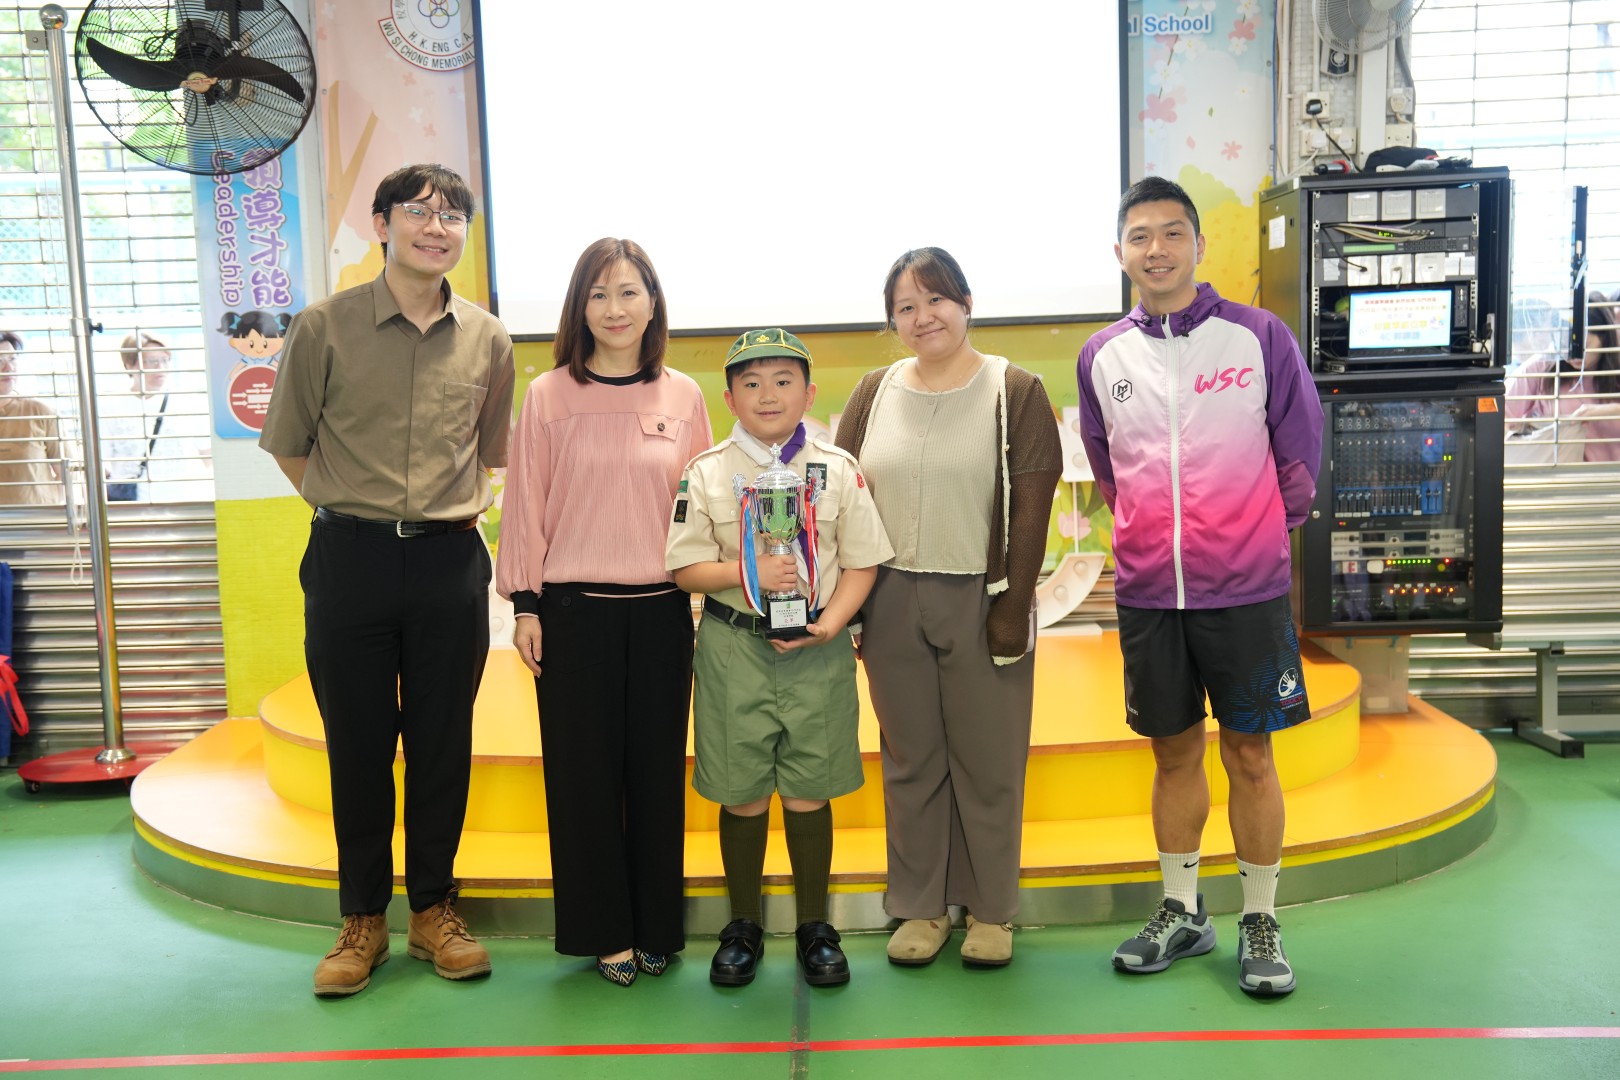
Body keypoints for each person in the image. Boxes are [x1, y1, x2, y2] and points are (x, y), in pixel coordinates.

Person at [259, 163, 515, 997]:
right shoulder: (323, 327)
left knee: (443, 743)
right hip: (351, 561)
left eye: (452, 217)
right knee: (358, 746)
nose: (436, 228)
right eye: (418, 212)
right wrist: (354, 512)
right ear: (382, 224)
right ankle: (362, 918)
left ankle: (435, 911)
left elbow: (489, 451)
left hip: (449, 562)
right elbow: (290, 445)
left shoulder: (488, 338)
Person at [1075, 176, 1324, 997]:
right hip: (1150, 595)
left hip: (1245, 592)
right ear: (1120, 253)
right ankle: (1182, 910)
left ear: (1198, 244)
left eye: (1172, 233)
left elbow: (1299, 457)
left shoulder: (1258, 337)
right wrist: (1154, 538)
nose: (1157, 249)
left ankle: (1260, 918)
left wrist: (1252, 535)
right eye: (1140, 236)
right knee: (1173, 752)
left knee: (1250, 754)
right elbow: (1110, 471)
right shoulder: (1101, 356)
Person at [834, 248, 1062, 969]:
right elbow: (842, 497)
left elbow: (1033, 508)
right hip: (890, 597)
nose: (922, 317)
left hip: (983, 597)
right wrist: (849, 606)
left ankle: (991, 910)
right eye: (905, 307)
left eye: (935, 299)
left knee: (989, 761)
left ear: (966, 303)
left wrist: (1013, 606)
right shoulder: (872, 393)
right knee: (910, 760)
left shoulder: (1014, 390)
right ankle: (921, 906)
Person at [495, 238, 710, 987]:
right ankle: (602, 931)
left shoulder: (684, 396)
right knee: (581, 779)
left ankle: (656, 927)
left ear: (652, 303)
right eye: (599, 294)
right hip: (572, 614)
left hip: (662, 613)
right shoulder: (548, 395)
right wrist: (526, 605)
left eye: (628, 292)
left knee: (656, 775)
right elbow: (526, 503)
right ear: (578, 308)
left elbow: (703, 507)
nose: (614, 309)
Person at [666, 328, 893, 988]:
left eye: (784, 381)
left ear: (809, 393)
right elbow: (683, 567)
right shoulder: (707, 471)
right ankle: (742, 925)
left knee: (807, 789)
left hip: (818, 650)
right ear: (729, 398)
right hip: (734, 647)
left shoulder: (837, 468)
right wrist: (749, 571)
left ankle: (816, 926)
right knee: (740, 793)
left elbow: (863, 560)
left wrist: (831, 625)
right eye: (752, 383)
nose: (768, 394)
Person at [1506, 291, 1620, 462]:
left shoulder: (1615, 367)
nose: (1572, 356)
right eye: (1564, 345)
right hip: (1561, 474)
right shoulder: (1543, 365)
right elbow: (1501, 412)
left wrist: (1604, 411)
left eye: (1583, 347)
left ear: (1605, 338)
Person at [102, 333, 213, 502]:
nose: (160, 367)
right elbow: (102, 460)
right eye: (150, 361)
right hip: (133, 504)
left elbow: (206, 452)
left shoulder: (187, 401)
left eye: (165, 360)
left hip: (185, 501)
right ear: (129, 365)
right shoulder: (111, 407)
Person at [0, 331, 64, 505]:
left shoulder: (39, 411)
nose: (8, 368)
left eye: (12, 359)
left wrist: (52, 512)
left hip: (37, 518)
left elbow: (67, 474)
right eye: (0, 361)